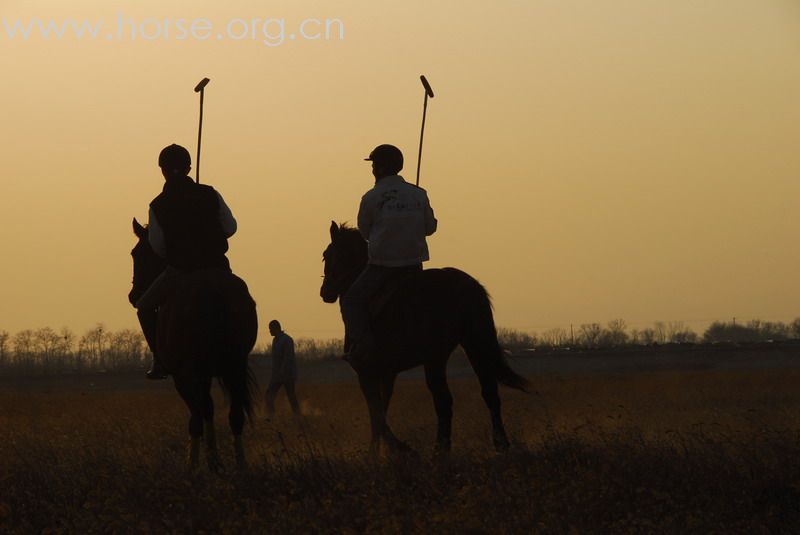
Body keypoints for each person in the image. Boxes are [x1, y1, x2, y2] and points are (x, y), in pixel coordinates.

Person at [134, 144, 237, 379]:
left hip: (181, 272)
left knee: (144, 307)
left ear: (162, 170)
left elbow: (158, 248)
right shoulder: (210, 193)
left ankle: (160, 359)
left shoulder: (157, 205)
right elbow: (230, 228)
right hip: (218, 269)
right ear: (189, 168)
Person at [340, 144, 437, 366]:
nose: (372, 169)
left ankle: (362, 346)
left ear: (381, 168)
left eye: (374, 165)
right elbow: (430, 228)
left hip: (382, 267)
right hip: (414, 266)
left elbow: (365, 233)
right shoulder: (418, 194)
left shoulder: (371, 197)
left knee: (352, 301)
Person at [265, 320, 300, 417]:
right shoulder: (275, 340)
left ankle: (297, 415)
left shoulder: (287, 340)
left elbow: (288, 357)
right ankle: (271, 416)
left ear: (276, 328)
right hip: (277, 374)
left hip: (287, 374)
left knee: (291, 396)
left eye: (271, 329)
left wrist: (282, 371)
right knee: (269, 394)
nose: (269, 331)